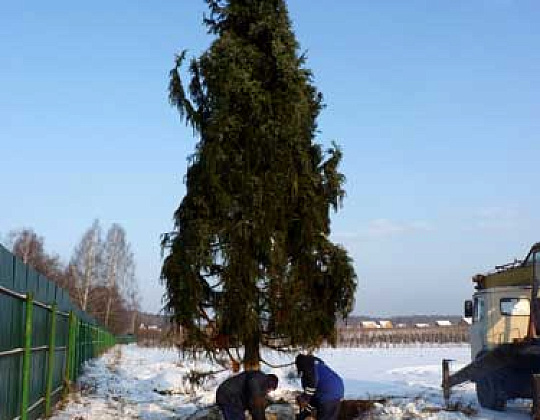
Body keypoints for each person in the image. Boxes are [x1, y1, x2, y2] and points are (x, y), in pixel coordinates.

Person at [295, 354, 344, 420]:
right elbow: (312, 394)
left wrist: (304, 398)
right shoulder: (317, 364)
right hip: (338, 390)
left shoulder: (307, 366)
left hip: (328, 394)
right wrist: (306, 408)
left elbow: (312, 383)